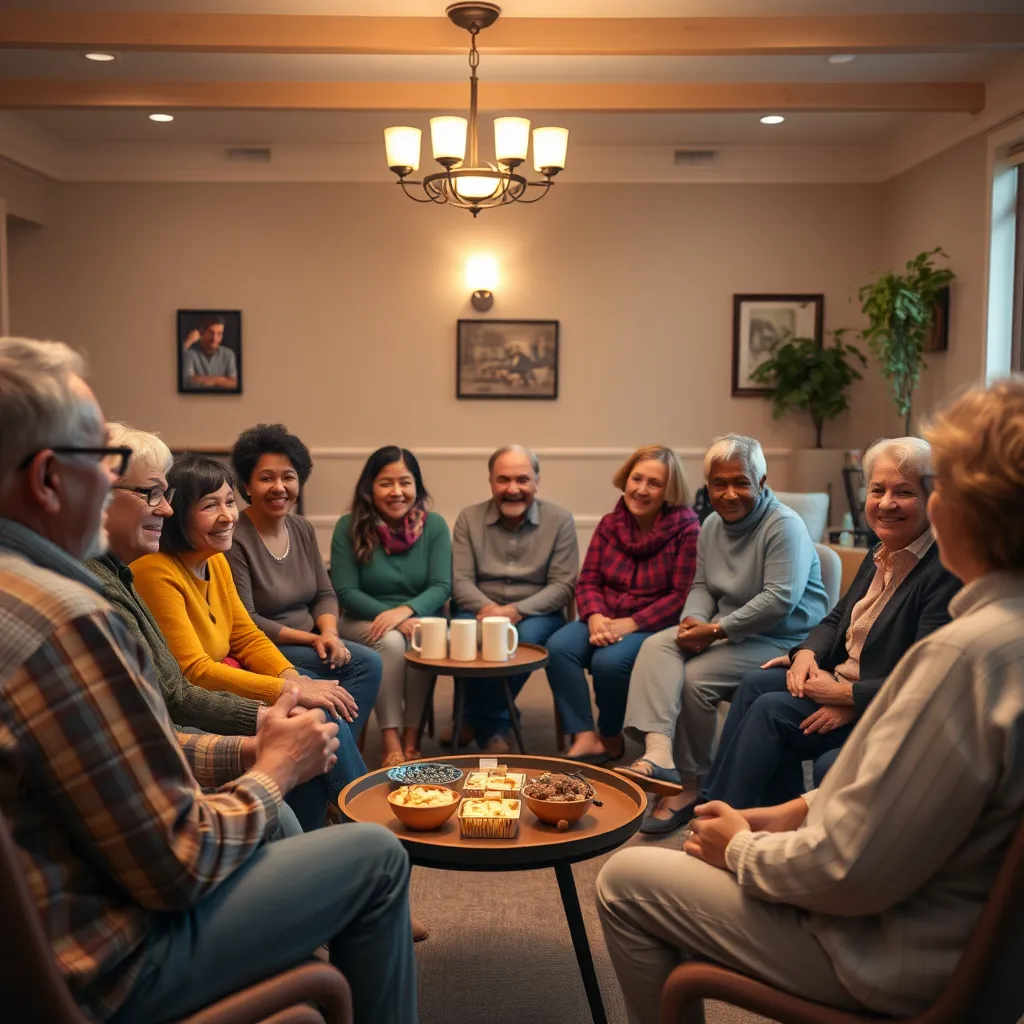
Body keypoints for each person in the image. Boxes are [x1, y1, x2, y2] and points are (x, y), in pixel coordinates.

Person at [0, 337, 416, 1024]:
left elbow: (126, 750)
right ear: (48, 478)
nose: (118, 490)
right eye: (106, 464)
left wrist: (249, 749)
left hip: (67, 912)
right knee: (374, 855)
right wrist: (274, 768)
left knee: (305, 773)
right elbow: (177, 863)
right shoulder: (67, 621)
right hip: (112, 961)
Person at [596, 378, 1024, 1024]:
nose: (910, 505)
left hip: (887, 954)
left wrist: (740, 849)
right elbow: (903, 796)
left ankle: (711, 813)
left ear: (955, 508)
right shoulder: (1001, 638)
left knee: (623, 882)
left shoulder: (962, 659)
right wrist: (790, 811)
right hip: (937, 925)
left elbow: (848, 869)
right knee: (761, 696)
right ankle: (716, 797)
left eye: (933, 490)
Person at [87, 421, 367, 832]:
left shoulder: (213, 557)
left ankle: (335, 811)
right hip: (194, 707)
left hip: (220, 683)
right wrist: (289, 694)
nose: (228, 516)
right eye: (210, 505)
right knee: (319, 714)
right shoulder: (148, 572)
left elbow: (245, 632)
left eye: (229, 502)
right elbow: (188, 682)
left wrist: (291, 678)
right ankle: (353, 810)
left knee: (333, 696)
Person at [696, 436, 962, 817]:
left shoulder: (943, 570)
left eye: (904, 492)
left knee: (772, 710)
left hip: (882, 701)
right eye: (878, 490)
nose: (887, 503)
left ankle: (716, 812)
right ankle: (754, 810)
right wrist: (805, 653)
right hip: (843, 676)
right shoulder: (882, 550)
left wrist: (847, 698)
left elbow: (925, 677)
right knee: (757, 683)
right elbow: (837, 617)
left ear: (932, 498)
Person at [618, 434, 829, 834]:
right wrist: (692, 621)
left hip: (787, 641)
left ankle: (690, 784)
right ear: (707, 485)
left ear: (762, 482)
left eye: (741, 482)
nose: (730, 493)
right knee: (657, 644)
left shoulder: (784, 525)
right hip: (731, 632)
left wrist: (714, 631)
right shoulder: (712, 525)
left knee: (695, 680)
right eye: (719, 483)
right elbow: (702, 586)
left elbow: (779, 600)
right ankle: (660, 753)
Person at [545, 446, 700, 765]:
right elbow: (587, 579)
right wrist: (595, 616)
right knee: (559, 647)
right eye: (636, 479)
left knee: (609, 663)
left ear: (669, 490)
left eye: (654, 483)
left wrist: (633, 623)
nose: (641, 490)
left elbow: (681, 596)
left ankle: (610, 733)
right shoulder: (610, 523)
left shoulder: (687, 530)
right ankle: (585, 736)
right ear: (625, 480)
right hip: (604, 616)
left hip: (653, 624)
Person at [227, 422, 382, 740]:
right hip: (264, 647)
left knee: (369, 662)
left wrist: (329, 632)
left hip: (312, 641)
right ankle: (336, 757)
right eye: (266, 478)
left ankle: (333, 753)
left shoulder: (302, 529)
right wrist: (312, 639)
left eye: (288, 477)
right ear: (246, 485)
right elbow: (246, 619)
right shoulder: (233, 537)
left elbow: (324, 593)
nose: (279, 487)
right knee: (330, 690)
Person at [449, 445, 578, 752]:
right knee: (466, 638)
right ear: (491, 481)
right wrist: (490, 609)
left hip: (536, 613)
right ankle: (495, 722)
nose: (512, 489)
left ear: (537, 481)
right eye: (503, 479)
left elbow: (563, 585)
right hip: (478, 608)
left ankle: (480, 719)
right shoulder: (469, 518)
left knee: (521, 642)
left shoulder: (559, 521)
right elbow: (460, 580)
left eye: (522, 479)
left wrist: (516, 611)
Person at [330, 446, 452, 767]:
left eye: (405, 482)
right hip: (362, 621)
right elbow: (345, 591)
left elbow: (441, 586)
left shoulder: (435, 526)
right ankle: (391, 739)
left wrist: (405, 612)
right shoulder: (348, 526)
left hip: (418, 618)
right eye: (386, 483)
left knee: (424, 638)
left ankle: (412, 739)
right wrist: (393, 620)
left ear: (417, 486)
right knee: (392, 641)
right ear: (369, 486)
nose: (397, 492)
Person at [182, 314, 238, 390]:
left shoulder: (229, 354)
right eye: (211, 332)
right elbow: (188, 381)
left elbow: (234, 383)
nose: (214, 338)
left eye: (219, 334)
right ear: (202, 332)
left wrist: (203, 380)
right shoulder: (190, 353)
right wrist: (221, 380)